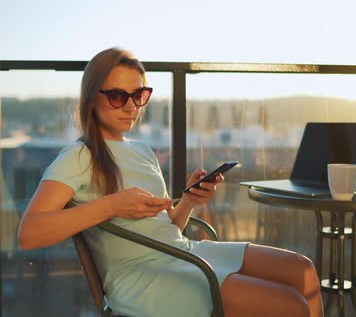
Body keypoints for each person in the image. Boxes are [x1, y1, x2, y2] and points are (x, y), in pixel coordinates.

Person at [18, 47, 324, 317]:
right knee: (291, 305)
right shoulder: (79, 155)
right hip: (142, 275)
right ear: (91, 98)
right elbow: (29, 234)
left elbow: (165, 232)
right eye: (117, 96)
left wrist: (188, 201)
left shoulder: (141, 150)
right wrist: (112, 205)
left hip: (182, 251)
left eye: (138, 95)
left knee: (304, 270)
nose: (131, 107)